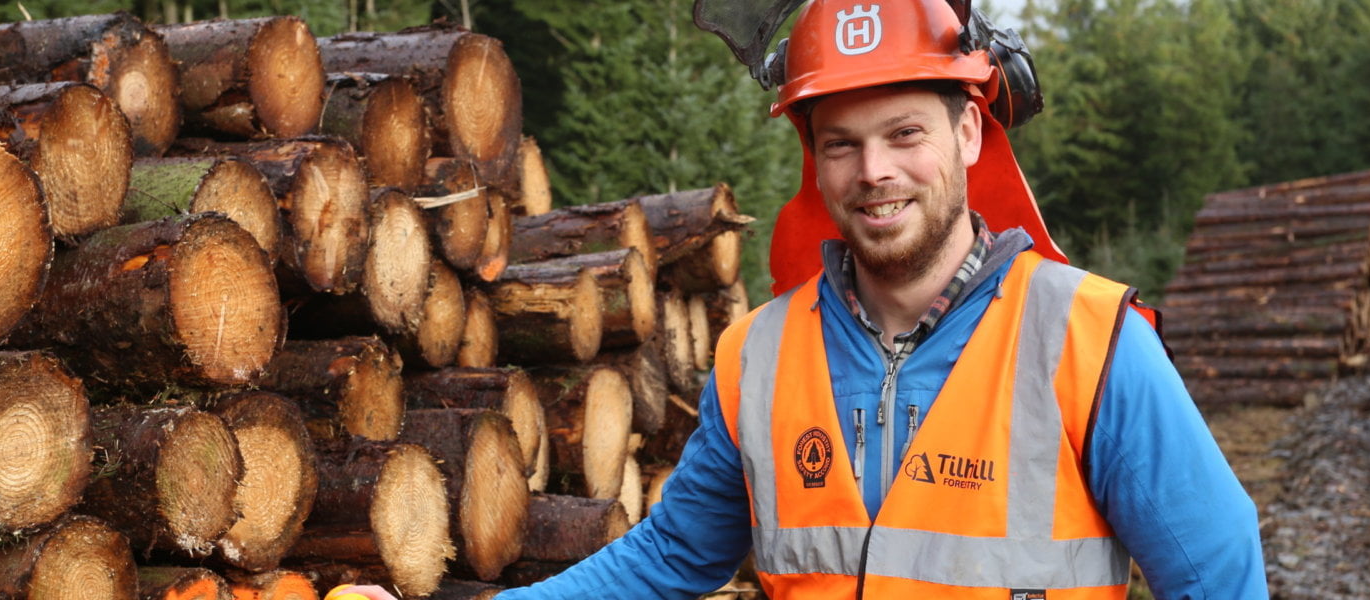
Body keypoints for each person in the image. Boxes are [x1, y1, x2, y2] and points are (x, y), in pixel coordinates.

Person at [374, 1, 1268, 598]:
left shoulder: (1088, 342)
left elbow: (1219, 571)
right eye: (841, 143)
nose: (874, 171)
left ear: (967, 131)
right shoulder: (759, 357)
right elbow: (667, 559)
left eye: (904, 133)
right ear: (812, 153)